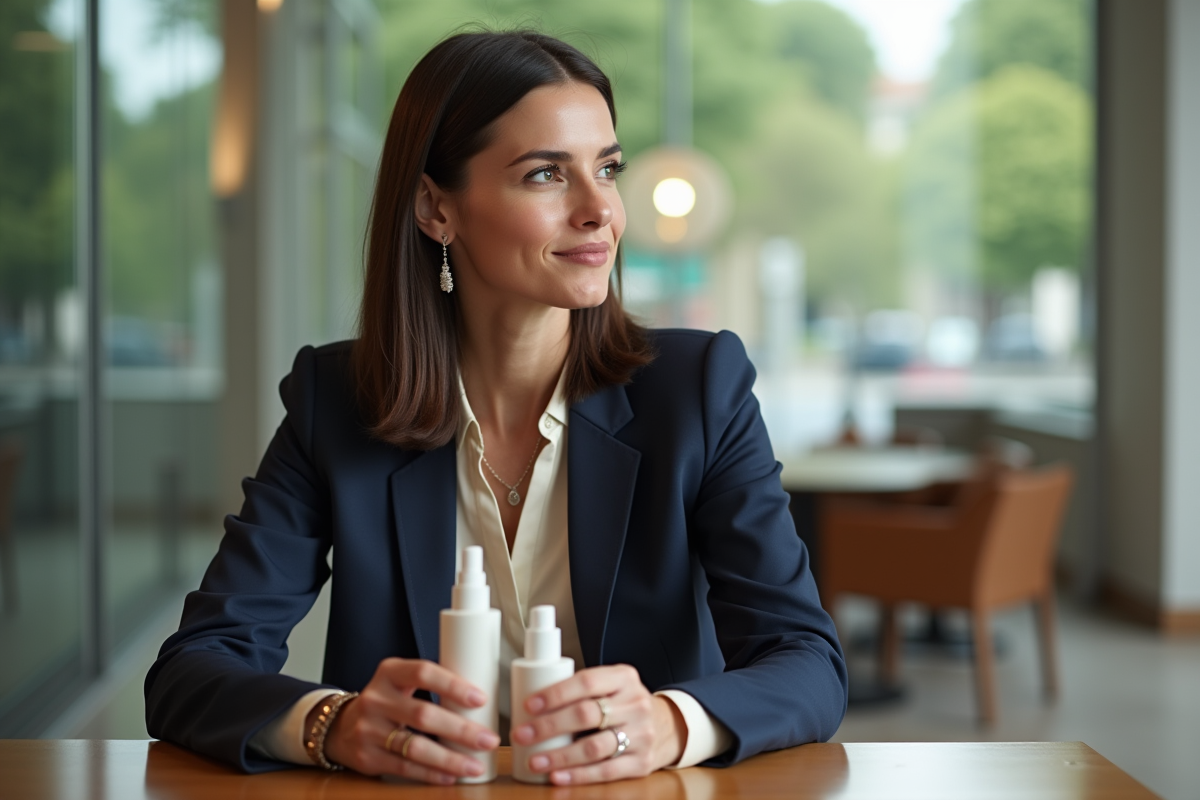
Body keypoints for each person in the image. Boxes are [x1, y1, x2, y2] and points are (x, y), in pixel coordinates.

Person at [145, 29, 846, 786]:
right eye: (546, 174)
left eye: (607, 170)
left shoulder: (698, 387)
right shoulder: (337, 404)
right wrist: (334, 724)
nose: (598, 211)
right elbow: (192, 669)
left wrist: (671, 723)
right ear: (435, 209)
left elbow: (807, 662)